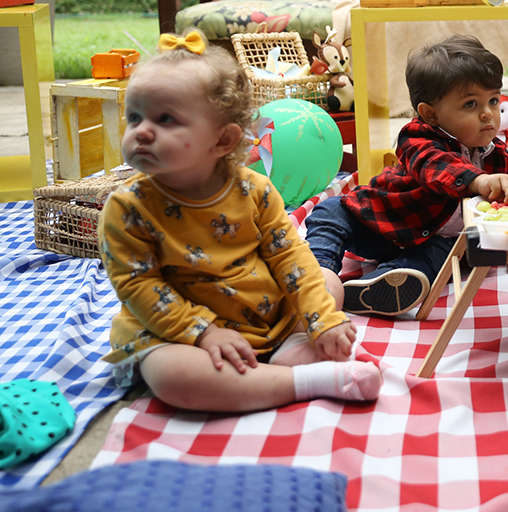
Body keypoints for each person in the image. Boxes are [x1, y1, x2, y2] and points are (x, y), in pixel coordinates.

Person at [100, 31, 381, 413]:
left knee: (328, 282)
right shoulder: (126, 209)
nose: (142, 131)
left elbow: (290, 257)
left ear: (223, 141)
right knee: (171, 376)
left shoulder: (255, 191)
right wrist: (202, 334)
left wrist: (322, 319)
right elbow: (140, 285)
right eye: (135, 117)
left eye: (165, 120)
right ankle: (302, 381)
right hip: (181, 330)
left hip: (267, 312)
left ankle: (293, 346)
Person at [306, 34, 508, 316]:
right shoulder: (417, 136)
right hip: (385, 220)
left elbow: (504, 211)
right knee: (331, 210)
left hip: (437, 240)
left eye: (493, 100)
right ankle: (317, 271)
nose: (488, 114)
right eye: (471, 104)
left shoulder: (497, 154)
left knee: (443, 261)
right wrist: (478, 180)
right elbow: (435, 166)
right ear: (430, 114)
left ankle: (382, 285)